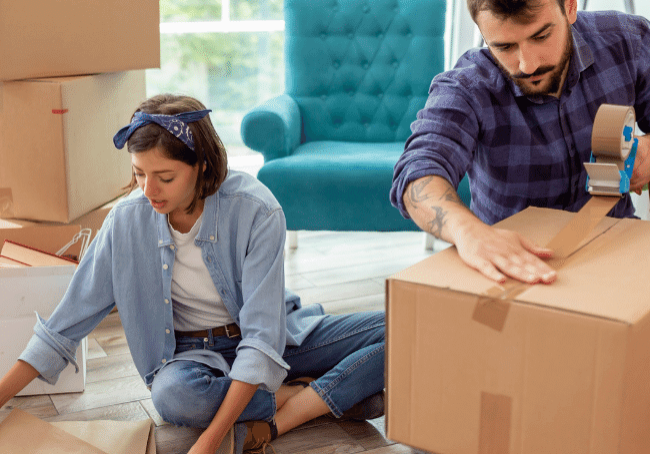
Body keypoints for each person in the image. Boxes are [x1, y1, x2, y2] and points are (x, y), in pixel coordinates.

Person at [0, 94, 385, 454]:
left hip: (280, 336)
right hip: (191, 358)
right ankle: (311, 398)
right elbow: (63, 327)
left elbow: (262, 337)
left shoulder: (256, 210)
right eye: (138, 174)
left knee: (403, 330)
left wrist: (207, 444)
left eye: (165, 178)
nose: (149, 191)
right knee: (174, 398)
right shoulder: (125, 222)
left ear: (201, 165)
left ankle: (298, 404)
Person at [390, 0, 650, 285]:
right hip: (515, 269)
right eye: (504, 47)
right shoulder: (467, 86)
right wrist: (468, 231)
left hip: (620, 246)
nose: (528, 65)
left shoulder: (628, 40)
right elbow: (417, 172)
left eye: (541, 36)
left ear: (571, 7)